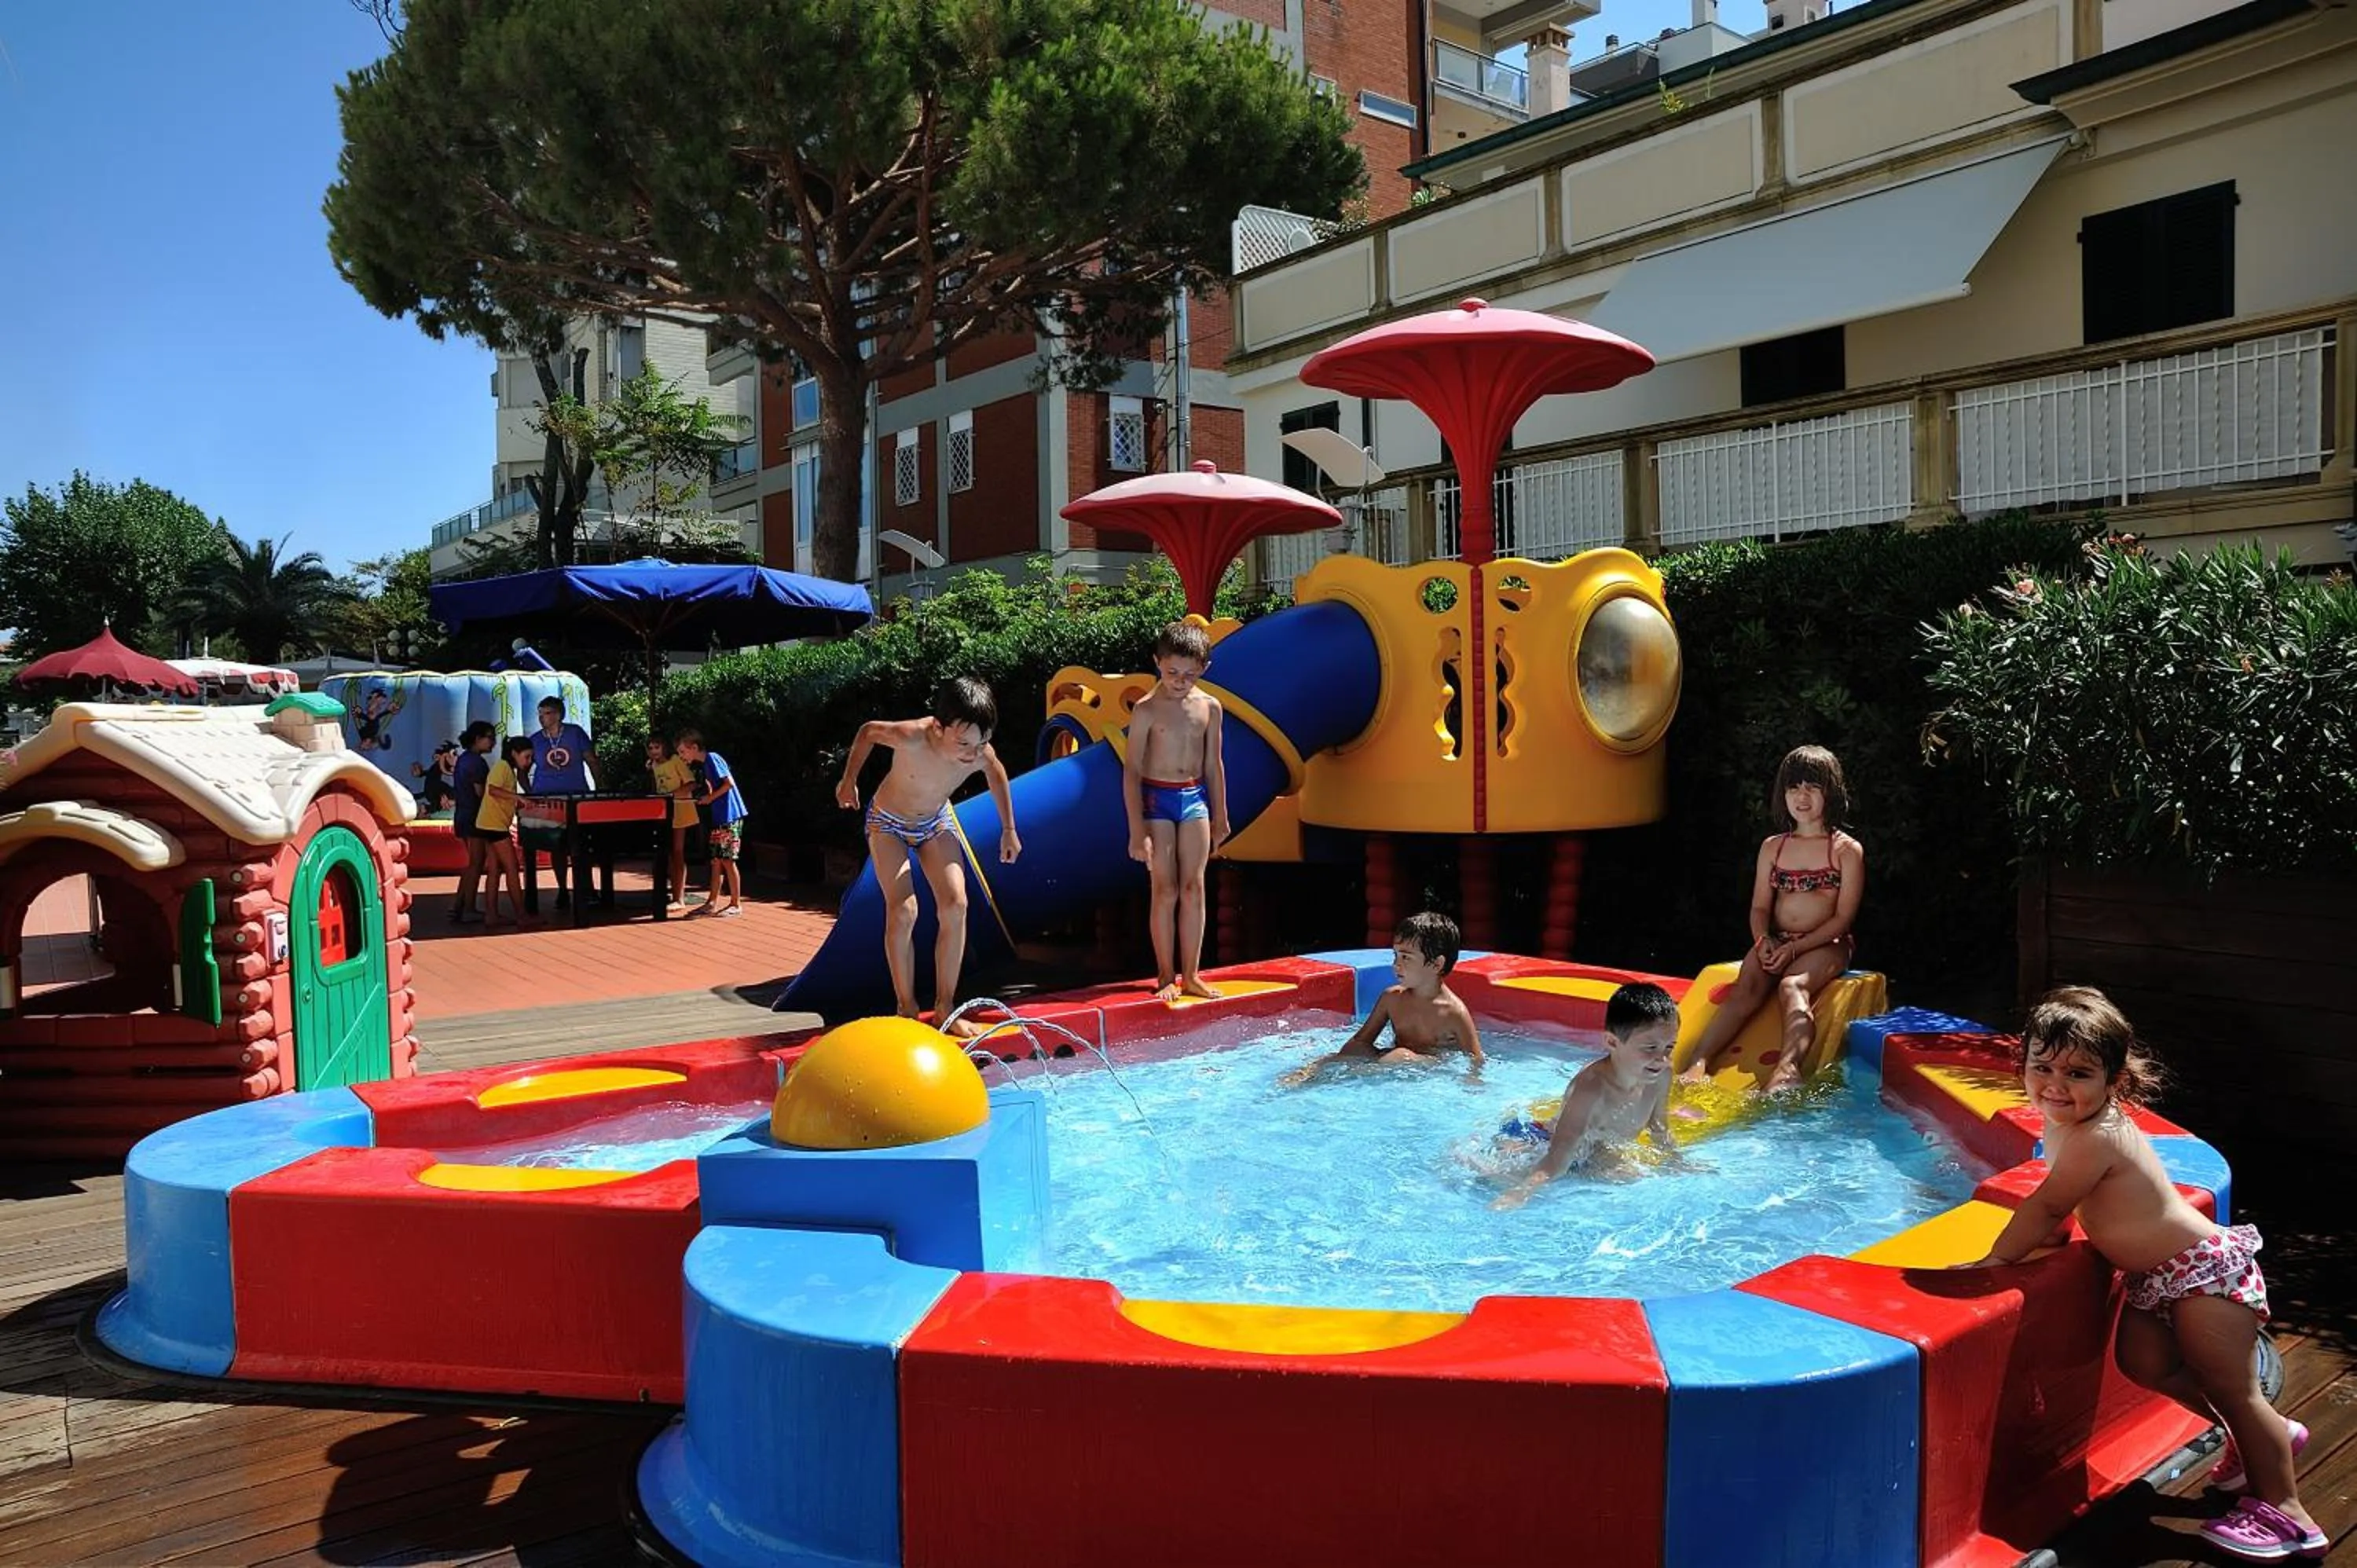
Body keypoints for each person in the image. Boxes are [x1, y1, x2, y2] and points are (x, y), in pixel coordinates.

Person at [1952, 989, 2322, 1561]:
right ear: (2020, 1064)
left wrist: (1998, 1261)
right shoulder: (2067, 1124)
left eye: (2077, 1072)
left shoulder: (2097, 1134)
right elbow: (2073, 1207)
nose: (2055, 1084)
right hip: (2160, 1277)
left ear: (2113, 1079)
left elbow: (2048, 1205)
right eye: (2041, 1067)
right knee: (2143, 1363)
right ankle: (2266, 1439)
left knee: (2234, 1390)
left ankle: (2287, 1515)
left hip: (2203, 1274)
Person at [834, 678, 1021, 1037]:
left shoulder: (980, 752)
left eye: (981, 742)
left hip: (935, 821)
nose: (972, 752)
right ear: (939, 728)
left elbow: (996, 776)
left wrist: (1009, 829)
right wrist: (848, 781)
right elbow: (868, 732)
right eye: (964, 743)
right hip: (888, 822)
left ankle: (945, 1009)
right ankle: (906, 1009)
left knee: (956, 905)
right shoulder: (912, 736)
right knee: (904, 910)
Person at [1680, 745, 1865, 1092]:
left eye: (1812, 787)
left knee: (1791, 985)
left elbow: (1843, 918)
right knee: (1745, 989)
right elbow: (1760, 908)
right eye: (1793, 787)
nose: (1802, 796)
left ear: (1832, 791)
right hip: (1777, 938)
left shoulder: (1844, 850)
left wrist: (1797, 950)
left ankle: (1787, 1067)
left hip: (1826, 943)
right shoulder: (1773, 847)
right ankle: (1698, 1062)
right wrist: (1763, 940)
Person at [1495, 983, 1686, 1207]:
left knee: (1632, 1179)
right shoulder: (1591, 1089)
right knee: (1493, 1178)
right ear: (1612, 1042)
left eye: (1669, 1047)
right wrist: (1522, 1191)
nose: (1662, 1058)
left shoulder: (1660, 1076)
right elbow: (1560, 1152)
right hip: (1541, 1144)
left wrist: (1677, 1162)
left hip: (1596, 1154)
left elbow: (1659, 1126)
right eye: (1650, 1048)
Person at [1123, 621, 1231, 1003]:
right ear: (1157, 663)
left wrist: (1221, 814)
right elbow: (1132, 770)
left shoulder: (1210, 708)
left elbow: (1214, 764)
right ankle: (1166, 974)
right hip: (1157, 799)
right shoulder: (1147, 710)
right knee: (1165, 888)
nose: (1180, 681)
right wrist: (1136, 831)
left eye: (1189, 674)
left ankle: (1193, 975)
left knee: (1194, 886)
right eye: (1172, 673)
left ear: (1204, 669)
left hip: (1194, 797)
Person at [1285, 912, 1483, 1081]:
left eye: (1405, 957)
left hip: (1434, 1070)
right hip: (1391, 1061)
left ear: (1436, 964)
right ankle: (1307, 1077)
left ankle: (1348, 1078)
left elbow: (1475, 1060)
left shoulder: (1453, 1012)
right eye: (1395, 956)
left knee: (1400, 1056)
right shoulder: (1392, 998)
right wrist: (1334, 1061)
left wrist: (1470, 1087)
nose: (1396, 964)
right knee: (1345, 1056)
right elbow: (1361, 1042)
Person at [528, 695, 596, 907]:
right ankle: (562, 890)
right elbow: (522, 768)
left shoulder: (575, 733)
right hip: (548, 800)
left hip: (576, 798)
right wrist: (532, 793)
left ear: (558, 714)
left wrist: (600, 788)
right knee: (556, 846)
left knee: (581, 845)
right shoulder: (535, 739)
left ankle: (588, 889)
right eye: (539, 714)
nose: (542, 718)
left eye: (546, 713)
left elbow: (591, 760)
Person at [675, 731, 749, 919]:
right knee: (716, 860)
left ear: (694, 748)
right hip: (720, 816)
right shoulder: (705, 765)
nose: (682, 756)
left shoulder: (713, 759)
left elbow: (728, 784)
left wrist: (709, 798)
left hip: (729, 815)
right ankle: (712, 902)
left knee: (727, 859)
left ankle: (735, 903)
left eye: (683, 752)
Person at [474, 736, 535, 925]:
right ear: (514, 754)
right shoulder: (503, 767)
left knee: (494, 870)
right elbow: (492, 790)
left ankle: (491, 915)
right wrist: (518, 797)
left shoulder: (508, 769)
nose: (529, 761)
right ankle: (521, 915)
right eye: (526, 757)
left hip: (488, 823)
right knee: (512, 868)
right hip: (495, 826)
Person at [447, 723, 497, 923]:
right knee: (476, 863)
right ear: (477, 739)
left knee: (472, 863)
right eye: (489, 737)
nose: (493, 741)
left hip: (463, 815)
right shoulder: (477, 763)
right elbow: (481, 792)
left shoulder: (464, 760)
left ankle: (459, 905)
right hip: (474, 817)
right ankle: (468, 907)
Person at [647, 736, 696, 911]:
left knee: (677, 852)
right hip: (663, 813)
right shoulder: (653, 765)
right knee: (667, 852)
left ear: (664, 748)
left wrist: (672, 796)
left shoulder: (676, 761)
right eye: (651, 748)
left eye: (657, 747)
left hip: (680, 810)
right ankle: (672, 892)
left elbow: (691, 784)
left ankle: (680, 898)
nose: (654, 751)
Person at [410, 740, 459, 816]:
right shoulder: (442, 762)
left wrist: (421, 773)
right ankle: (426, 808)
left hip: (433, 790)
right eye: (454, 754)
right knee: (452, 795)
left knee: (440, 801)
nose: (456, 757)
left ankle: (426, 808)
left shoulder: (439, 766)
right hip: (434, 789)